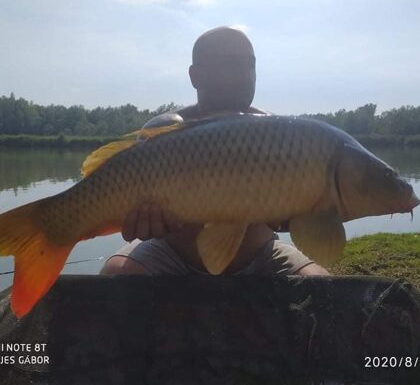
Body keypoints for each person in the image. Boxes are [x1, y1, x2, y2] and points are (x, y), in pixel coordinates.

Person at [101, 26, 329, 276]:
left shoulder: (274, 134)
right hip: (170, 255)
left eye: (250, 65)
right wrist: (142, 222)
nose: (245, 75)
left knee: (319, 283)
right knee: (116, 273)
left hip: (260, 255)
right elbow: (133, 217)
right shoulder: (164, 132)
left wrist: (295, 214)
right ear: (195, 75)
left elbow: (290, 221)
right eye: (231, 64)